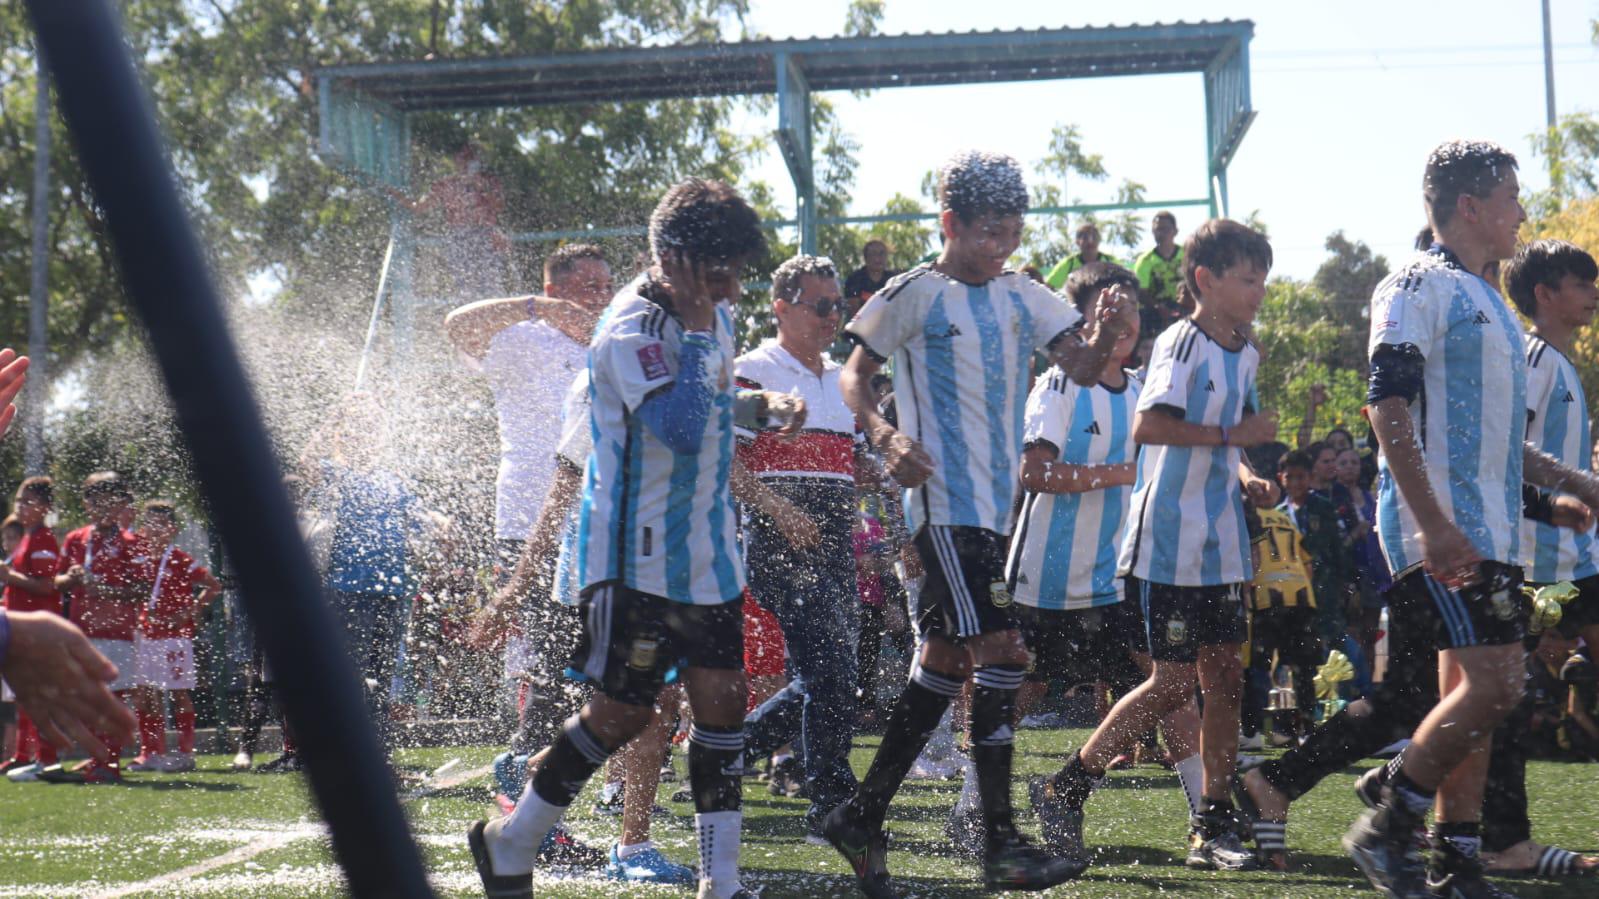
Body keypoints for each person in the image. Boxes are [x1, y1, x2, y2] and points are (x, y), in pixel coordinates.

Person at [825, 149, 1136, 896]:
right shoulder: (915, 294)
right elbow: (853, 375)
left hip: (998, 512)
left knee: (940, 664)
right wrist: (885, 433)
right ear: (949, 223)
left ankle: (859, 814)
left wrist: (1105, 331)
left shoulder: (1024, 296)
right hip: (943, 504)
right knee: (1002, 649)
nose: (1000, 243)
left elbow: (1085, 368)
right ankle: (998, 839)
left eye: (1011, 230)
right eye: (986, 230)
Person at [470, 177, 772, 899]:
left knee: (724, 697)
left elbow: (710, 402)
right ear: (673, 258)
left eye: (736, 268)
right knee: (622, 712)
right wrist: (702, 333)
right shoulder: (629, 328)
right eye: (719, 268)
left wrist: (757, 407)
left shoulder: (709, 310)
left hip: (706, 550)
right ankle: (511, 839)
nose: (732, 285)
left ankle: (719, 882)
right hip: (633, 553)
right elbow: (672, 420)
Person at [1341, 140, 1599, 897]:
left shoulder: (1486, 296)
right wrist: (1431, 522)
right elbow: (1384, 403)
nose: (1521, 211)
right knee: (1498, 681)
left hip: (1485, 525)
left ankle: (1455, 857)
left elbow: (1491, 432)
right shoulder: (1415, 282)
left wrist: (1560, 483)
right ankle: (1389, 821)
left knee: (1475, 692)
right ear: (1469, 207)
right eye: (1512, 198)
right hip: (1440, 525)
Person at [1034, 218, 1278, 874]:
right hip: (1166, 538)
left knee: (1223, 678)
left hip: (1221, 540)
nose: (1259, 289)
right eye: (1247, 278)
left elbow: (1234, 436)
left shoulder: (1245, 349)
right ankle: (1068, 782)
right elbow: (1149, 425)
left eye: (1263, 277)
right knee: (1172, 682)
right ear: (1204, 279)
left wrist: (1250, 474)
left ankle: (1211, 819)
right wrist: (1234, 439)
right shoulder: (1180, 340)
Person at [974, 261, 1203, 847]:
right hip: (1046, 579)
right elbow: (1036, 473)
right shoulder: (1059, 384)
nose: (1122, 319)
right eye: (1108, 307)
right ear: (1082, 323)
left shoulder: (1145, 391)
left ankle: (1208, 815)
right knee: (1023, 691)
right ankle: (972, 803)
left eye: (1129, 308)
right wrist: (1121, 473)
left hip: (1119, 575)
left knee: (1170, 683)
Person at [737, 253, 871, 840]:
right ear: (781, 308)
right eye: (821, 306)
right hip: (777, 539)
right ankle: (832, 801)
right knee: (831, 674)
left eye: (837, 307)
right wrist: (779, 510)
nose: (831, 317)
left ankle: (727, 751)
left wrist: (888, 476)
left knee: (829, 676)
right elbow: (722, 459)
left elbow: (853, 463)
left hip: (835, 541)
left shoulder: (844, 378)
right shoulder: (751, 369)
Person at [300, 394, 425, 759]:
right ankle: (341, 754)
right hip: (346, 589)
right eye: (356, 431)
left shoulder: (392, 479)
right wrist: (333, 416)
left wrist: (440, 525)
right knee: (348, 676)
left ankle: (376, 757)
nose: (365, 437)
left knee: (381, 679)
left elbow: (416, 516)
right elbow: (306, 462)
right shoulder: (336, 474)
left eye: (371, 431)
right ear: (344, 436)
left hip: (391, 591)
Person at [44, 471, 154, 783]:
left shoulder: (133, 542)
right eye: (95, 499)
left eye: (110, 499)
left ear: (121, 504)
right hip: (81, 633)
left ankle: (109, 763)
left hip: (117, 633)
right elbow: (56, 581)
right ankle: (100, 758)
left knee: (111, 700)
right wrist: (74, 579)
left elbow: (143, 590)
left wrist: (103, 590)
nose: (102, 506)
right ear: (86, 503)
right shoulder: (76, 539)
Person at [127, 501, 220, 773]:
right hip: (146, 635)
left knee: (178, 692)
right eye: (151, 524)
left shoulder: (180, 558)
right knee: (147, 693)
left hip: (174, 637)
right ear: (143, 528)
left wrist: (188, 612)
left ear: (172, 529)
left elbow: (213, 586)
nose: (155, 530)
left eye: (162, 524)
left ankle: (185, 753)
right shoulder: (138, 558)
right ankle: (151, 752)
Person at [1, 477, 63, 780]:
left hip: (37, 631)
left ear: (46, 507)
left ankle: (47, 762)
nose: (22, 507)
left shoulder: (43, 540)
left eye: (29, 501)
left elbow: (46, 586)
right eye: (19, 501)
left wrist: (10, 577)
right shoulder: (27, 537)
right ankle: (32, 757)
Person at [1133, 210, 1185, 330]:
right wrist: (1158, 307)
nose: (1161, 234)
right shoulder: (1145, 260)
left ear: (1175, 231)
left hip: (1185, 309)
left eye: (1166, 229)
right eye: (1157, 230)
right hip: (1156, 313)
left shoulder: (1187, 255)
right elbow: (1141, 292)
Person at [1043, 222, 1123, 290]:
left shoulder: (1110, 261)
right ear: (1077, 242)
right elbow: (1047, 288)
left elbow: (1127, 284)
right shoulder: (1069, 264)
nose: (1090, 241)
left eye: (1094, 237)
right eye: (1085, 238)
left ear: (1099, 240)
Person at [844, 239, 899, 307]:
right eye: (873, 253)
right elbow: (853, 309)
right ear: (865, 257)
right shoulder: (855, 279)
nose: (878, 258)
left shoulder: (894, 280)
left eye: (882, 253)